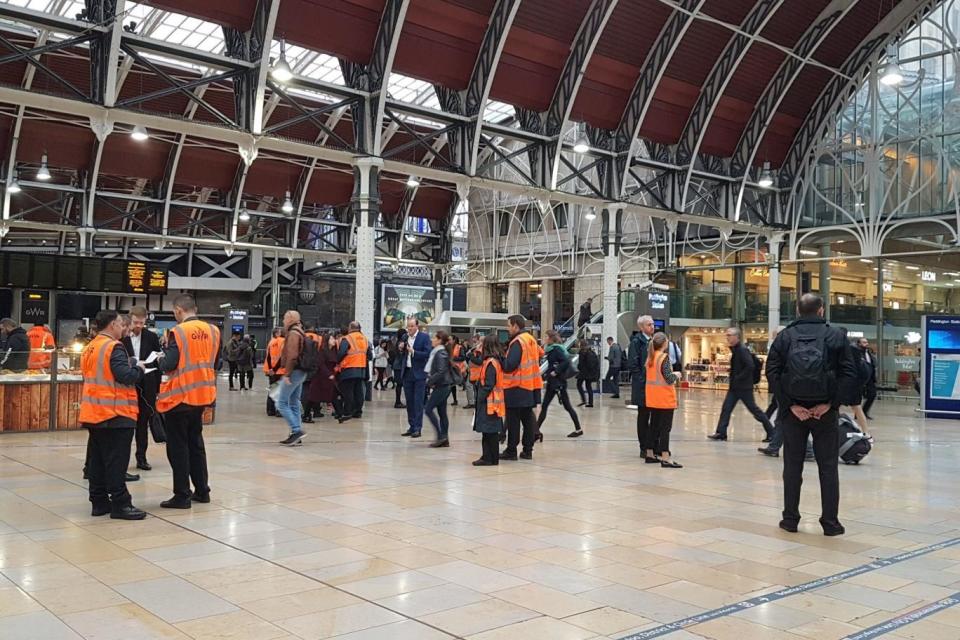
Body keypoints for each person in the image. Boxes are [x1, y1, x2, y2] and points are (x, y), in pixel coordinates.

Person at [766, 293, 856, 536]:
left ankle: (790, 520)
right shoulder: (836, 335)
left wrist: (789, 406)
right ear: (821, 310)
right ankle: (830, 523)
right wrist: (831, 404)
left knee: (792, 467)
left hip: (794, 414)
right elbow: (849, 373)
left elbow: (771, 373)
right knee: (828, 468)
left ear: (797, 310)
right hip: (824, 413)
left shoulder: (785, 337)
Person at [80, 310, 147, 520]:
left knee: (98, 461)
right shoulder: (113, 347)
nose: (123, 327)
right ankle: (120, 504)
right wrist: (139, 369)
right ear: (111, 325)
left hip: (94, 412)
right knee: (117, 462)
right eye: (120, 323)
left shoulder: (90, 347)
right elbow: (125, 376)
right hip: (116, 413)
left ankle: (99, 502)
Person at [157, 294, 219, 509]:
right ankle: (202, 490)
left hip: (180, 397)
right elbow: (215, 361)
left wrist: (160, 358)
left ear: (178, 310)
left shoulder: (179, 332)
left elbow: (169, 364)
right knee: (196, 443)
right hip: (202, 395)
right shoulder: (213, 330)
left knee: (178, 447)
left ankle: (182, 494)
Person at [708, 327, 775, 441]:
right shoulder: (736, 350)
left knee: (755, 410)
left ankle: (771, 432)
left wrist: (739, 377)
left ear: (736, 337)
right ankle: (721, 432)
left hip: (743, 387)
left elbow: (750, 365)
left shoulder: (742, 350)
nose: (727, 337)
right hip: (735, 387)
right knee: (726, 409)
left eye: (729, 335)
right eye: (727, 335)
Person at [121, 306, 162, 472]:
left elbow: (157, 360)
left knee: (143, 423)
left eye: (141, 323)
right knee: (126, 423)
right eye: (135, 322)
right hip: (128, 384)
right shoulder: (122, 338)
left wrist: (157, 387)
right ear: (130, 320)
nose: (138, 326)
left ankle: (141, 457)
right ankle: (122, 460)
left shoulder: (151, 337)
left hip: (147, 385)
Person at [500, 315, 543, 460]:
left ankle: (511, 450)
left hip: (515, 386)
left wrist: (501, 359)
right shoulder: (531, 339)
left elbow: (510, 365)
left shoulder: (518, 342)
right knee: (527, 419)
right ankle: (527, 450)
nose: (508, 328)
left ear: (516, 326)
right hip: (529, 386)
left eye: (509, 325)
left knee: (513, 421)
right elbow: (540, 354)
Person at [537, 329, 583, 438]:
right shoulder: (552, 349)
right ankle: (536, 430)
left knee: (566, 407)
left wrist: (555, 371)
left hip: (558, 383)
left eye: (545, 337)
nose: (544, 339)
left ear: (550, 338)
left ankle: (578, 429)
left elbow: (566, 361)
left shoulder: (556, 349)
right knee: (546, 406)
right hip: (554, 382)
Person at [646, 331, 682, 468]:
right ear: (665, 343)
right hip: (664, 399)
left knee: (653, 426)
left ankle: (649, 454)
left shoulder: (651, 357)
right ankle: (665, 457)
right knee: (665, 428)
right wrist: (677, 374)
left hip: (653, 397)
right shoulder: (663, 357)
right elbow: (668, 377)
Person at [274, 311, 308, 445]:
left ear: (290, 319)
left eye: (284, 318)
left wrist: (287, 374)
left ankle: (296, 430)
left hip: (294, 371)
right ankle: (296, 435)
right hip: (301, 371)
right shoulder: (300, 331)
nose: (283, 321)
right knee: (294, 402)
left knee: (281, 403)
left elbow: (292, 355)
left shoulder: (293, 333)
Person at [473, 334, 505, 466]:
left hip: (489, 402)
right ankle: (490, 457)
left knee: (489, 432)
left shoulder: (491, 363)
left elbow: (489, 384)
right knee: (489, 432)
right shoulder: (493, 361)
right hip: (493, 402)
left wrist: (480, 397)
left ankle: (489, 458)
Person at [629, 315, 656, 457]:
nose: (652, 326)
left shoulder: (654, 341)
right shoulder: (636, 342)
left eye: (652, 324)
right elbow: (633, 364)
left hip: (654, 386)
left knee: (654, 416)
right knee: (643, 416)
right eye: (648, 325)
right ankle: (643, 447)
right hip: (643, 386)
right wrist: (642, 380)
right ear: (641, 327)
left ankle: (652, 445)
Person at [401, 318, 432, 437]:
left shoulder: (424, 338)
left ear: (417, 326)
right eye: (408, 326)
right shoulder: (405, 337)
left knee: (418, 402)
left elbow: (427, 353)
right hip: (407, 372)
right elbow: (402, 354)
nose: (409, 328)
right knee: (409, 402)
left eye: (412, 326)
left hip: (419, 374)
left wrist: (413, 352)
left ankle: (418, 428)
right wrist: (401, 349)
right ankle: (412, 426)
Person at [424, 330, 454, 448]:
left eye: (434, 338)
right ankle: (444, 438)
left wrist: (429, 382)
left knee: (428, 409)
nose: (432, 340)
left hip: (442, 386)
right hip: (444, 385)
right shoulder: (438, 352)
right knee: (442, 413)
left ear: (440, 340)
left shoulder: (440, 353)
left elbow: (441, 371)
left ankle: (441, 436)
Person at [337, 321, 370, 422]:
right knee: (358, 391)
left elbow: (341, 353)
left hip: (349, 368)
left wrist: (337, 362)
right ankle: (358, 411)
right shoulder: (365, 339)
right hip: (361, 368)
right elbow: (369, 355)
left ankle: (348, 411)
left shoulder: (347, 338)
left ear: (350, 328)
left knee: (348, 391)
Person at [307, 332, 339, 420]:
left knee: (332, 395)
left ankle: (340, 414)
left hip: (329, 377)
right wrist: (329, 374)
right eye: (332, 339)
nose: (334, 340)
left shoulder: (334, 351)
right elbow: (321, 364)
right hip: (320, 377)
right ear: (327, 340)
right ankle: (306, 414)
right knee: (314, 397)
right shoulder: (322, 351)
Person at [264, 327, 285, 416]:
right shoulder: (282, 341)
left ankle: (270, 410)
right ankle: (279, 410)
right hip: (280, 371)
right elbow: (282, 358)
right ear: (277, 333)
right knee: (280, 392)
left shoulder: (271, 342)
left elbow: (268, 357)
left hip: (271, 371)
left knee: (272, 390)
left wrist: (271, 369)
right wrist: (275, 369)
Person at [576, 339, 600, 408]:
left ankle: (584, 400)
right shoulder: (591, 351)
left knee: (579, 384)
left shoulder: (582, 352)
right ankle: (590, 402)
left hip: (584, 373)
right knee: (588, 386)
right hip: (590, 373)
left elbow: (581, 364)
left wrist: (579, 367)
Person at [858, 338, 878, 419]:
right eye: (864, 342)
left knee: (872, 394)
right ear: (859, 344)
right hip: (860, 378)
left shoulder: (868, 352)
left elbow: (872, 364)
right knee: (858, 397)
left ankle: (863, 412)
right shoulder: (857, 353)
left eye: (866, 342)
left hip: (869, 378)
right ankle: (859, 414)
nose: (866, 344)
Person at [392, 336, 408, 408]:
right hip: (398, 368)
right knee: (399, 384)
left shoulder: (401, 346)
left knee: (400, 385)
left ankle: (398, 401)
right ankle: (397, 402)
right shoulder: (399, 347)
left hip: (399, 367)